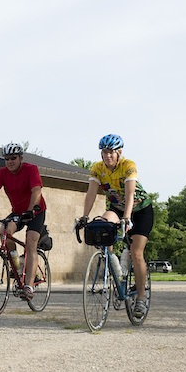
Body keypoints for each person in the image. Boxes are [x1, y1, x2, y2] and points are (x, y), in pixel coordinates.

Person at [77, 134, 154, 318]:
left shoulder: (128, 166)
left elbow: (129, 194)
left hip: (140, 209)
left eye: (111, 152)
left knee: (136, 252)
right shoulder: (97, 168)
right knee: (102, 228)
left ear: (119, 152)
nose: (107, 156)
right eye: (104, 152)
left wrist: (127, 218)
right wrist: (85, 216)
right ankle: (117, 273)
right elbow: (91, 194)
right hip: (116, 208)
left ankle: (141, 298)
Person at [0, 142, 48, 299]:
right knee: (4, 231)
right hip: (17, 212)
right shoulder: (2, 173)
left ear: (20, 158)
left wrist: (30, 211)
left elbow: (36, 190)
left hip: (36, 210)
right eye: (7, 158)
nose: (10, 161)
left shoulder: (31, 169)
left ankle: (29, 286)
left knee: (31, 242)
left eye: (13, 158)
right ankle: (17, 264)